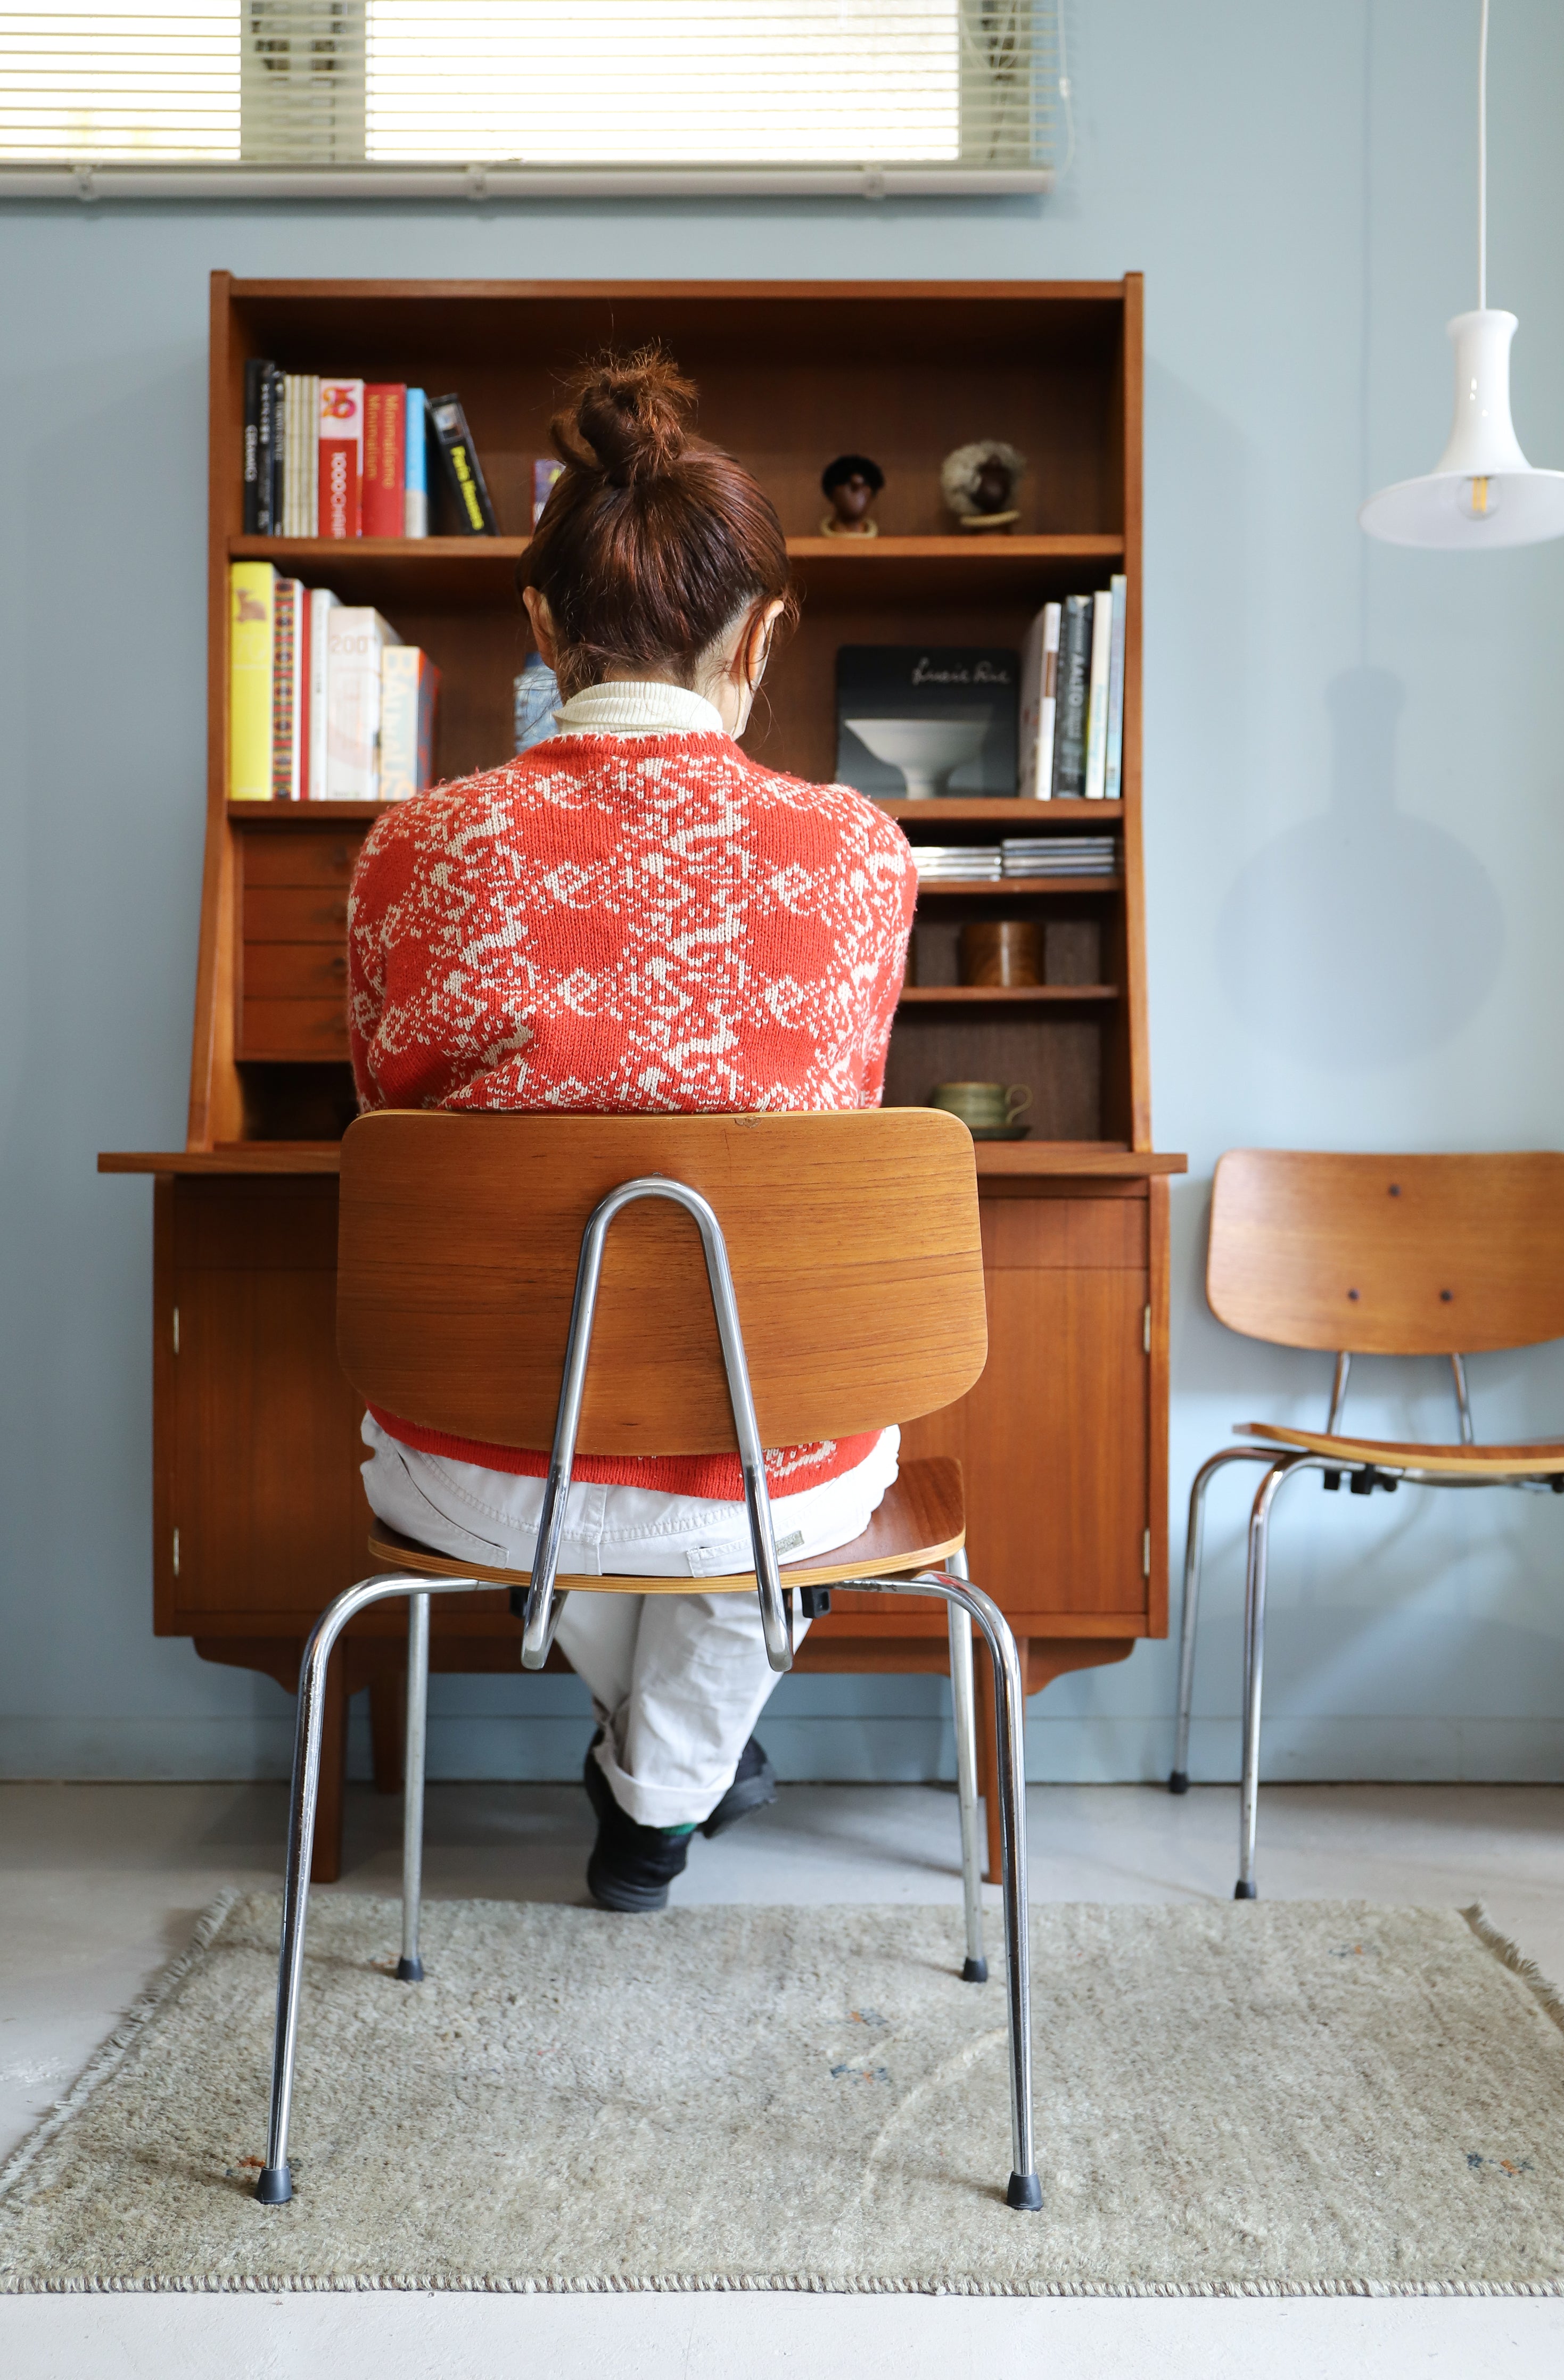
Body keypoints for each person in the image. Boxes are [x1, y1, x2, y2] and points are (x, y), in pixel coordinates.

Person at [347, 348, 918, 1913]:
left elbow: (386, 1110)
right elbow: (831, 1123)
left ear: (539, 625)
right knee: (781, 1465)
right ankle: (656, 1805)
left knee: (564, 1468)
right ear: (768, 633)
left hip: (483, 1461)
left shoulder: (415, 847)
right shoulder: (864, 856)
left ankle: (655, 1785)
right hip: (767, 1453)